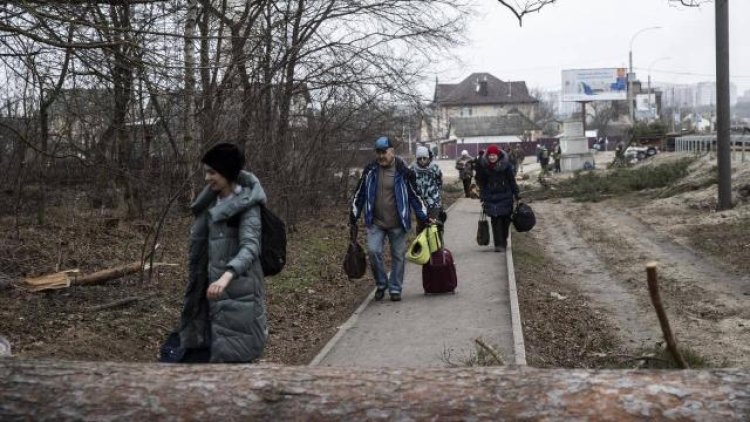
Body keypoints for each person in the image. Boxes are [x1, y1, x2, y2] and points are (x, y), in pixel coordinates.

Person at [175, 142, 268, 363]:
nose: (207, 178)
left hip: (238, 295)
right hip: (208, 294)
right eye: (206, 172)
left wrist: (226, 276)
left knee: (235, 361)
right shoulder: (209, 202)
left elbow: (251, 247)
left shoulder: (247, 205)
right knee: (204, 358)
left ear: (227, 173)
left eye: (212, 172)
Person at [350, 136, 430, 302]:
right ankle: (381, 284)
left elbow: (415, 196)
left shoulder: (404, 172)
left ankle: (395, 288)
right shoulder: (370, 171)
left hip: (398, 223)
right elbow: (360, 194)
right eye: (378, 152)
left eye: (383, 152)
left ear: (392, 152)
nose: (380, 156)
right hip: (376, 222)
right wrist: (354, 214)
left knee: (398, 256)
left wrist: (424, 217)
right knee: (373, 251)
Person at [475, 144, 520, 253]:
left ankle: (503, 240)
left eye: (493, 155)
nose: (491, 157)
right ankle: (498, 245)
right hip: (491, 198)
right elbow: (481, 182)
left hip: (506, 197)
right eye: (490, 155)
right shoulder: (484, 167)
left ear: (498, 155)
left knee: (505, 221)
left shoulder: (506, 166)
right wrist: (478, 167)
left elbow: (511, 180)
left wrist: (517, 194)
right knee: (495, 221)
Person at [412, 145, 443, 234]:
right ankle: (422, 246)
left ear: (428, 158)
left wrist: (436, 195)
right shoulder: (413, 170)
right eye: (420, 158)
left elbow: (439, 182)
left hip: (434, 201)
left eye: (424, 158)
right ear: (417, 159)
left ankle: (437, 246)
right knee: (422, 226)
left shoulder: (435, 168)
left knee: (434, 226)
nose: (422, 161)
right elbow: (411, 186)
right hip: (420, 202)